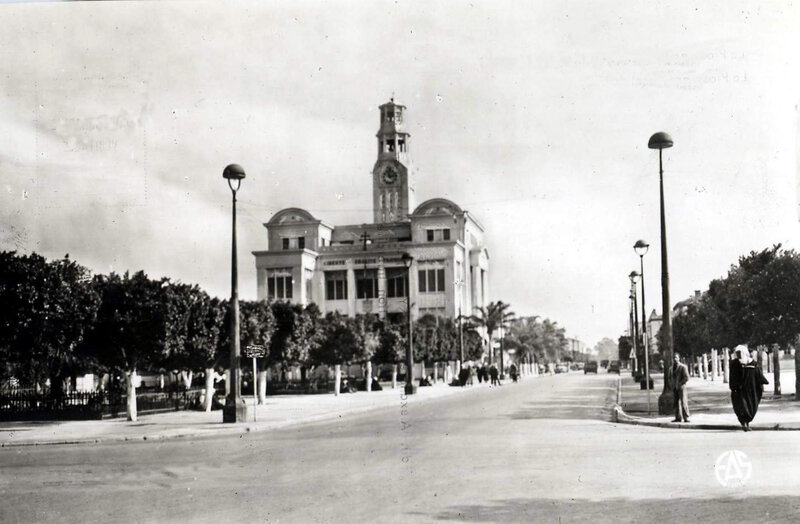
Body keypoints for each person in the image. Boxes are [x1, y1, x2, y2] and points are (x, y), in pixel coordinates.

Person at [730, 346, 769, 432]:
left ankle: (747, 423)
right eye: (737, 353)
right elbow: (732, 377)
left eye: (740, 353)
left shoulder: (752, 363)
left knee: (751, 406)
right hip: (740, 390)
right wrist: (733, 387)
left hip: (751, 390)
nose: (739, 355)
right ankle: (744, 423)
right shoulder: (734, 363)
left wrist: (763, 381)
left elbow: (758, 374)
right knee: (741, 407)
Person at [672, 353, 690, 422]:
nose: (674, 359)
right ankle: (678, 417)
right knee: (675, 403)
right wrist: (672, 384)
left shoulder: (683, 367)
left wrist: (680, 384)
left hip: (682, 387)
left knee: (683, 402)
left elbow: (687, 377)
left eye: (676, 357)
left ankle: (686, 417)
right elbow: (670, 377)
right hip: (674, 388)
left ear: (679, 358)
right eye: (673, 358)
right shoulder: (671, 368)